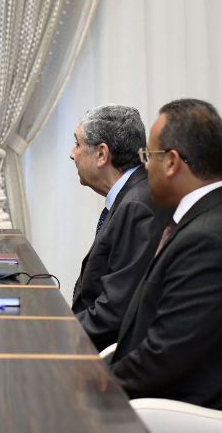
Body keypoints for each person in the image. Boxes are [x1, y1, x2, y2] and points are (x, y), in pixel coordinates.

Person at [109, 98, 222, 413]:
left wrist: (90, 386)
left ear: (171, 161)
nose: (145, 167)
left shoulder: (210, 241)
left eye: (148, 156)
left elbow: (163, 358)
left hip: (186, 413)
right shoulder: (212, 220)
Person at [68, 104, 172, 350]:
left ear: (102, 154)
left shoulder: (138, 207)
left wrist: (58, 333)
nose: (72, 154)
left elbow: (115, 313)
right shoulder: (133, 194)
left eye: (77, 144)